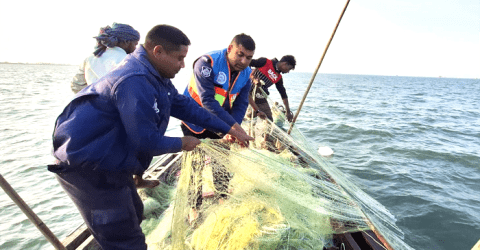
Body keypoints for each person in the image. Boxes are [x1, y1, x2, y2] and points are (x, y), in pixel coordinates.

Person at [49, 24, 253, 250]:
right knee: (124, 239)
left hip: (113, 157)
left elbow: (186, 107)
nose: (183, 65)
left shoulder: (156, 76)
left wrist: (231, 129)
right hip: (88, 165)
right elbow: (145, 141)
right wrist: (182, 143)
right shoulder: (134, 80)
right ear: (158, 51)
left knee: (135, 214)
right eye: (179, 58)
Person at [181, 33, 255, 141]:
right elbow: (207, 100)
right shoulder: (207, 63)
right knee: (197, 154)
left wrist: (233, 130)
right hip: (193, 119)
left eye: (248, 58)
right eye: (240, 55)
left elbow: (241, 105)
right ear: (230, 48)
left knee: (220, 154)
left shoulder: (247, 74)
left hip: (219, 122)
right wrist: (235, 128)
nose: (244, 61)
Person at [70, 23, 140, 93]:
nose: (135, 48)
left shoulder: (90, 58)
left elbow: (75, 86)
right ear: (126, 42)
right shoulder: (129, 61)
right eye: (135, 44)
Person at [248, 55, 296, 122]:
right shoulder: (265, 62)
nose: (288, 71)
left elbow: (283, 94)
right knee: (250, 115)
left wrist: (288, 111)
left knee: (268, 119)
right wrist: (253, 78)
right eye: (289, 69)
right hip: (247, 91)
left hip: (260, 96)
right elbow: (247, 63)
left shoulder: (278, 78)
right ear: (285, 64)